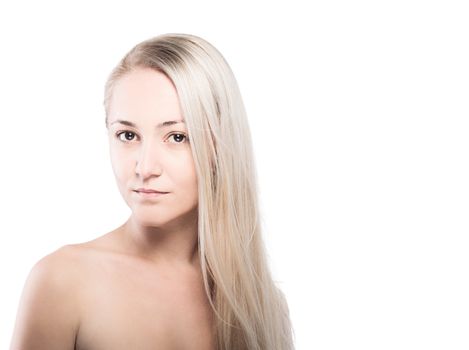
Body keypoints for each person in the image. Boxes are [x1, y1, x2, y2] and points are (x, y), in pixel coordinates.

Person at [10, 33, 294, 350]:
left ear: (219, 146)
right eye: (128, 135)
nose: (145, 167)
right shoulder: (62, 282)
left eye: (176, 137)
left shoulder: (263, 306)